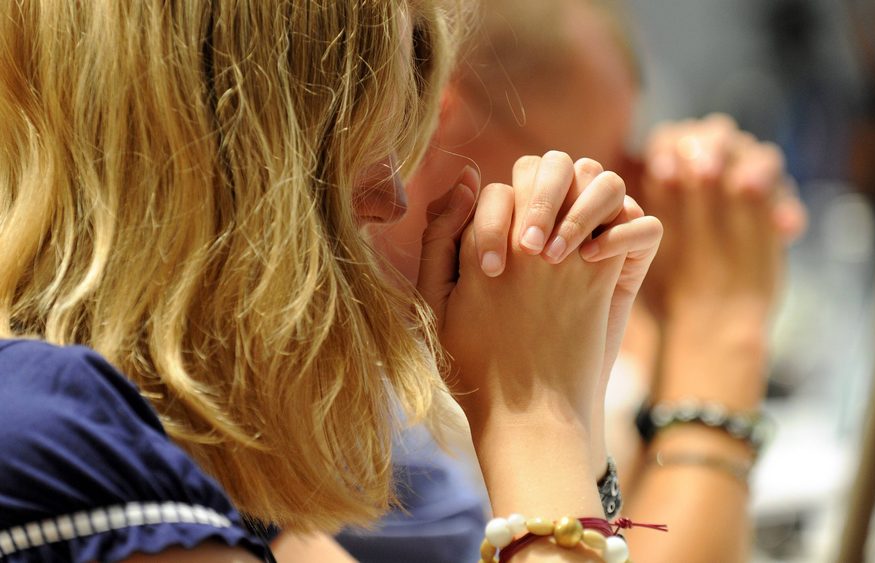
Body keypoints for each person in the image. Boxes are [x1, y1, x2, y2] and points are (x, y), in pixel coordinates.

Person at [0, 1, 664, 562]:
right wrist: (537, 415)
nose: (390, 195)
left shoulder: (175, 448)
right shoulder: (64, 445)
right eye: (342, 122)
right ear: (206, 138)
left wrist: (573, 418)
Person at [373, 1, 807, 562]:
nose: (618, 201)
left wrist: (657, 307)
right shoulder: (343, 396)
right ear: (434, 117)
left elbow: (608, 530)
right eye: (590, 163)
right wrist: (719, 336)